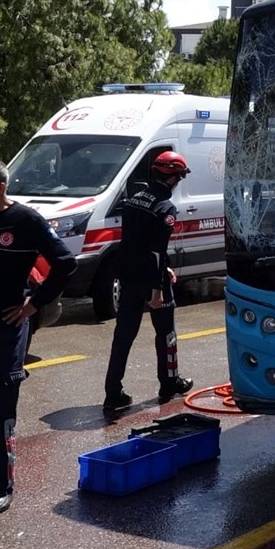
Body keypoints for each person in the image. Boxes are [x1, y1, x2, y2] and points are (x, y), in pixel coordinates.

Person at [0, 157, 76, 515]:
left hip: (7, 326)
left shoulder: (25, 220)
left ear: (0, 187)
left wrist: (33, 304)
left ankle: (1, 484)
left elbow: (65, 263)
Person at [103, 150, 194, 412]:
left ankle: (113, 393)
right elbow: (156, 250)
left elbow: (135, 243)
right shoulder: (165, 208)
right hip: (151, 280)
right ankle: (169, 382)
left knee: (123, 336)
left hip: (129, 276)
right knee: (166, 333)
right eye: (179, 177)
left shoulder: (133, 201)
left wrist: (164, 269)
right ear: (172, 178)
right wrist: (157, 288)